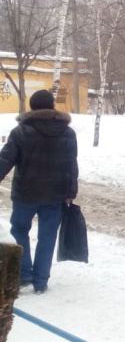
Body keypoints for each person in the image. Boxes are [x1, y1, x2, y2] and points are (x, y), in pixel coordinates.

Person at [0, 89, 79, 294]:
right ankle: (41, 281)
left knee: (18, 230)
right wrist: (71, 192)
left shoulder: (21, 131)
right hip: (55, 195)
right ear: (52, 106)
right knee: (48, 236)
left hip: (26, 194)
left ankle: (24, 272)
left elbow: (5, 160)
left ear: (32, 107)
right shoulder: (68, 133)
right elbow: (72, 166)